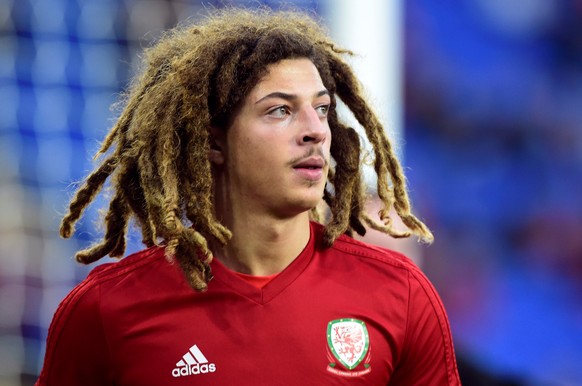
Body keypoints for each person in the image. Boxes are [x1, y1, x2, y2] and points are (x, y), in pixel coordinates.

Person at [36, 8, 460, 385]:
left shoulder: (400, 295)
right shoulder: (106, 310)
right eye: (280, 110)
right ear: (213, 143)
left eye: (323, 108)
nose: (316, 130)